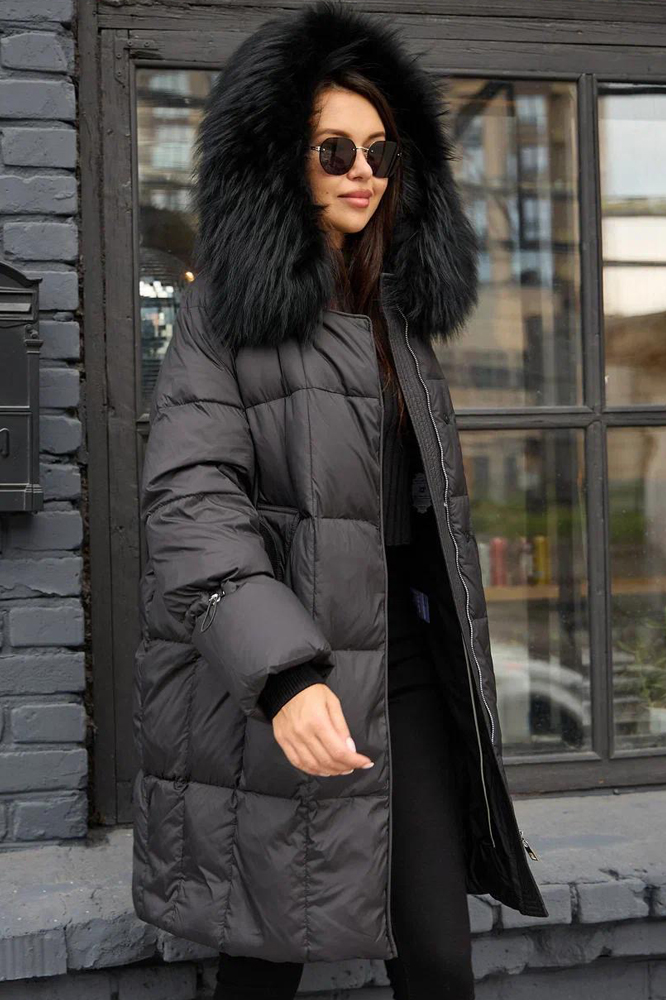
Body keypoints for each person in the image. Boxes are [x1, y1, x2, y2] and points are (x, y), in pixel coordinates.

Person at [131, 3, 549, 998]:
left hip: (401, 668)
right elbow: (192, 501)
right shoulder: (222, 316)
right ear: (282, 160)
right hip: (274, 680)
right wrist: (281, 675)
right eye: (333, 150)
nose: (363, 171)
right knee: (263, 960)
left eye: (380, 151)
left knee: (439, 958)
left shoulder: (397, 315)